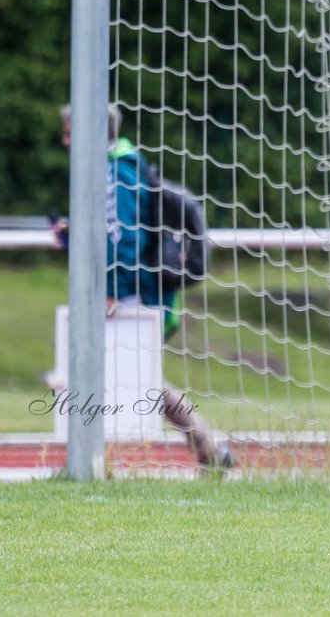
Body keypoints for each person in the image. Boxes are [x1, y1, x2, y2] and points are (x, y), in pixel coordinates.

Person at [53, 103, 233, 475]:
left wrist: (113, 291)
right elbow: (111, 231)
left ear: (90, 133)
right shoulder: (118, 167)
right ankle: (210, 449)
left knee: (131, 376)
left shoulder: (115, 171)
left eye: (70, 132)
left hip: (139, 293)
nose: (64, 140)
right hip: (139, 289)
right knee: (142, 378)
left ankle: (88, 463)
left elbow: (124, 237)